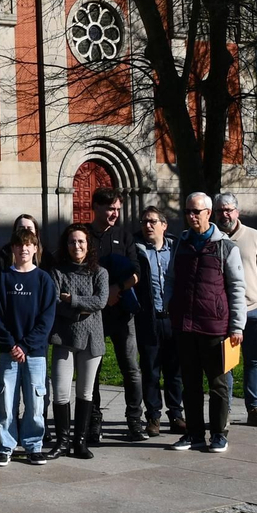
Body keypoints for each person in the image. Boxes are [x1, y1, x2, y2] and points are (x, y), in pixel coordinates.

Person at [166, 193, 246, 454]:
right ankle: (194, 433)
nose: (191, 216)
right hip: (185, 325)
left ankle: (219, 434)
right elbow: (171, 279)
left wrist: (237, 326)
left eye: (196, 211)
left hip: (216, 327)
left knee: (218, 383)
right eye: (188, 211)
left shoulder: (225, 247)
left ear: (208, 213)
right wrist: (170, 307)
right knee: (189, 383)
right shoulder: (181, 244)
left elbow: (236, 288)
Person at [85, 188, 147, 444]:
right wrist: (100, 297)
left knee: (131, 369)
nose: (115, 214)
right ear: (96, 207)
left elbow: (136, 272)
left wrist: (116, 290)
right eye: (110, 208)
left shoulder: (124, 236)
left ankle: (135, 420)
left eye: (118, 209)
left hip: (122, 313)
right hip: (93, 316)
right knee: (93, 371)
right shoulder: (83, 236)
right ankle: (94, 421)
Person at [0, 227, 56, 466]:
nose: (24, 249)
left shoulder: (43, 280)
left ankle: (33, 445)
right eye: (19, 245)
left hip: (35, 353)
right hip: (9, 353)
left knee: (35, 401)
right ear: (13, 249)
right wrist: (11, 345)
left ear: (35, 249)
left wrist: (26, 346)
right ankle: (5, 445)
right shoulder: (3, 278)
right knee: (6, 399)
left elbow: (46, 319)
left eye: (29, 245)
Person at [214, 193, 257, 428]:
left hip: (254, 311)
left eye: (229, 210)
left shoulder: (253, 236)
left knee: (254, 360)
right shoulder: (213, 238)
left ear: (237, 212)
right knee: (227, 364)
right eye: (221, 210)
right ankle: (225, 412)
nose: (225, 215)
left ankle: (254, 408)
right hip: (224, 314)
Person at [46, 224, 108, 460]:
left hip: (92, 339)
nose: (77, 246)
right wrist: (80, 309)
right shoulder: (58, 272)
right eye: (72, 242)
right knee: (61, 392)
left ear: (88, 245)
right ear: (66, 245)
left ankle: (79, 442)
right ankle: (62, 442)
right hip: (64, 338)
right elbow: (54, 302)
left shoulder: (100, 272)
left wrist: (72, 300)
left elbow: (100, 301)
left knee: (85, 392)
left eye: (81, 241)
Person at [134, 206, 183, 436]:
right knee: (151, 371)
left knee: (175, 370)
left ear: (164, 225)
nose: (148, 225)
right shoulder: (136, 249)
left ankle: (176, 415)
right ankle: (153, 417)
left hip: (173, 318)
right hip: (149, 318)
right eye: (144, 221)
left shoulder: (176, 249)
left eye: (153, 221)